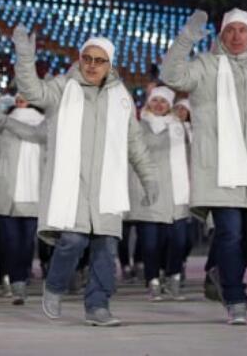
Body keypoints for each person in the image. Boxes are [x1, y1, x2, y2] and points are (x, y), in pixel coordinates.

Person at [159, 9, 247, 325]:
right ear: (221, 35)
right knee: (230, 233)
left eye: (242, 30)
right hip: (220, 168)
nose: (236, 36)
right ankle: (236, 299)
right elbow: (171, 76)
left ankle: (222, 272)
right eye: (230, 31)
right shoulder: (206, 67)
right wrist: (186, 39)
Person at [13, 27, 157, 328]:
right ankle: (55, 285)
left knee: (106, 246)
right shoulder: (62, 87)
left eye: (99, 60)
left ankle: (98, 305)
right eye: (87, 58)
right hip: (72, 183)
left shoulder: (121, 97)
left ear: (110, 65)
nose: (92, 65)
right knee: (73, 240)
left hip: (107, 185)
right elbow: (31, 91)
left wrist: (149, 178)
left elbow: (134, 143)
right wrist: (25, 57)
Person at [0, 79, 47, 306]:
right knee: (9, 242)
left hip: (34, 193)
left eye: (26, 96)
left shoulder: (46, 125)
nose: (21, 99)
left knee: (26, 244)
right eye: (19, 96)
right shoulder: (5, 122)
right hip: (8, 192)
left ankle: (19, 281)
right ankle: (14, 281)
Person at [128, 85, 193, 302]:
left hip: (176, 192)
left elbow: (190, 157)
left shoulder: (179, 128)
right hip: (149, 190)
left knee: (179, 240)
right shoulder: (137, 127)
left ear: (170, 105)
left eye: (163, 101)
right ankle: (153, 281)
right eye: (154, 100)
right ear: (148, 103)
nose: (158, 105)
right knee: (149, 243)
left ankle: (173, 278)